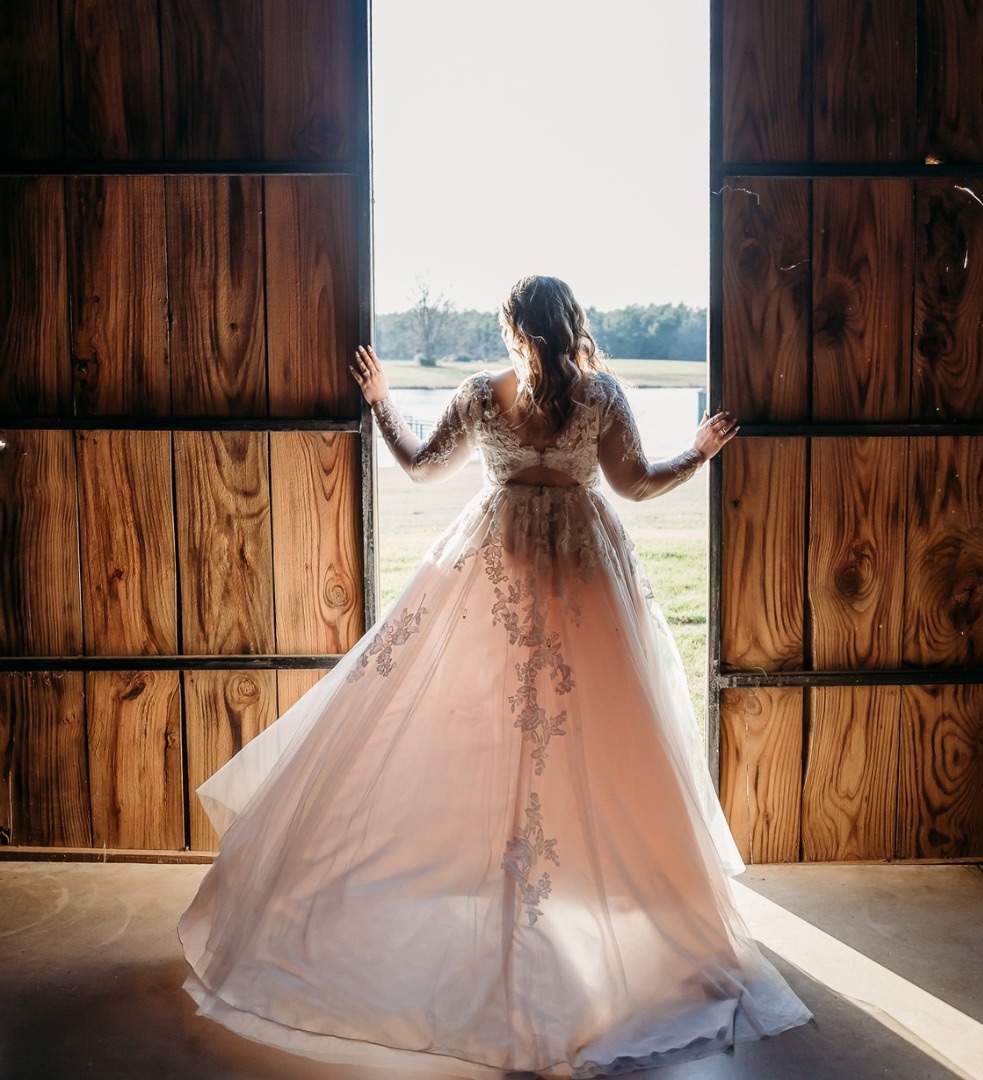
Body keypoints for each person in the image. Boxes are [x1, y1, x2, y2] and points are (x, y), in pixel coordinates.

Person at [178, 275, 811, 1077]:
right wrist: (700, 452)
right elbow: (637, 485)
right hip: (584, 577)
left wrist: (381, 401)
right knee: (598, 740)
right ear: (572, 323)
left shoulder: (483, 394)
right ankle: (596, 906)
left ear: (513, 327)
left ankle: (517, 902)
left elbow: (415, 465)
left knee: (483, 731)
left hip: (497, 574)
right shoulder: (603, 394)